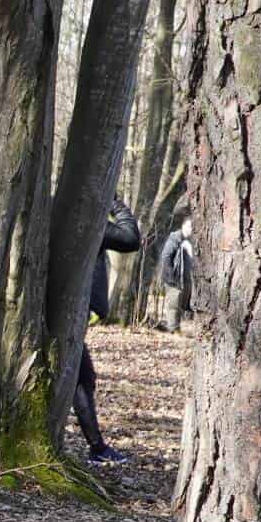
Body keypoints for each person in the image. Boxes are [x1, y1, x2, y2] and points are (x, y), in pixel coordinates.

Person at [74, 199, 141, 465]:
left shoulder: (57, 210)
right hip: (72, 313)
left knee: (81, 379)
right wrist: (116, 205)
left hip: (70, 312)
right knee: (80, 379)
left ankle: (97, 447)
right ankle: (97, 448)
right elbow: (129, 239)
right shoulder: (85, 218)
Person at [156, 219, 193, 332]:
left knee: (182, 304)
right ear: (183, 226)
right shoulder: (175, 239)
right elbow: (166, 257)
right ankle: (173, 330)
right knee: (174, 304)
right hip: (174, 278)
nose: (190, 229)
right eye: (188, 226)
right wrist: (170, 276)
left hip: (185, 279)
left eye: (192, 227)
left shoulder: (191, 241)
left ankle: (175, 328)